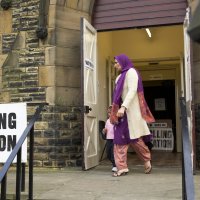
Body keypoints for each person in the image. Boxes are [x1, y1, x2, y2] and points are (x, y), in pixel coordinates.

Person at [110, 54, 155, 177]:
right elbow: (117, 96)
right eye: (114, 63)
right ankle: (122, 167)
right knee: (119, 140)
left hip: (130, 112)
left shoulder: (131, 72)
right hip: (121, 114)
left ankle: (146, 161)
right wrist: (115, 109)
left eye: (116, 62)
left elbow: (132, 90)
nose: (115, 65)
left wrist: (124, 107)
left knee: (136, 140)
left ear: (122, 61)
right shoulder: (119, 78)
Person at [102, 105, 117, 172]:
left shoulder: (116, 121)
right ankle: (115, 163)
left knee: (113, 153)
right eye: (109, 113)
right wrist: (104, 131)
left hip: (115, 139)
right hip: (109, 139)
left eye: (112, 113)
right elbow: (105, 130)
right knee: (108, 153)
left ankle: (115, 165)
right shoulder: (107, 121)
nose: (110, 114)